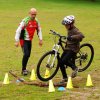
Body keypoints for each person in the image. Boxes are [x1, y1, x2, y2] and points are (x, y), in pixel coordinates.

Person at [15, 8, 43, 75]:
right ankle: (23, 70)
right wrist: (16, 41)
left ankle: (24, 69)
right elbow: (18, 31)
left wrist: (40, 39)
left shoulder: (36, 21)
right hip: (23, 40)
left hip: (29, 40)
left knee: (28, 55)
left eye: (35, 14)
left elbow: (39, 30)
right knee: (26, 54)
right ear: (29, 13)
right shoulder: (25, 21)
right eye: (32, 14)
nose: (33, 16)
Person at [59, 15, 84, 83]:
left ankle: (75, 68)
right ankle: (65, 78)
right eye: (65, 25)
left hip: (73, 49)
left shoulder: (75, 30)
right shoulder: (69, 29)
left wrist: (72, 37)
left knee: (64, 61)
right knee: (60, 62)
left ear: (71, 24)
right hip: (68, 48)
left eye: (66, 25)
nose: (65, 26)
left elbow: (81, 35)